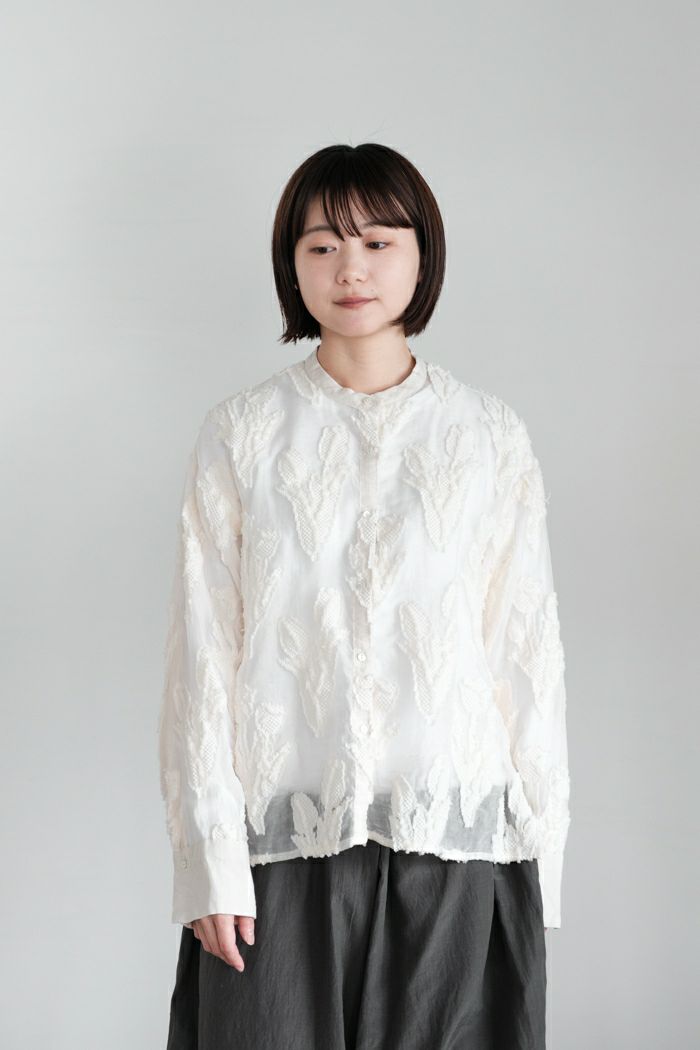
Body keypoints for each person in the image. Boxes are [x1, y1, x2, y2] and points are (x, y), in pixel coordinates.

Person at [158, 142, 571, 1049]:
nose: (351, 268)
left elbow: (525, 650)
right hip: (280, 850)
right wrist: (208, 862)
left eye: (379, 242)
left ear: (423, 255)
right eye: (322, 246)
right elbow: (202, 656)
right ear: (291, 264)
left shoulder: (489, 436)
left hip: (456, 844)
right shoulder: (242, 434)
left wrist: (542, 856)